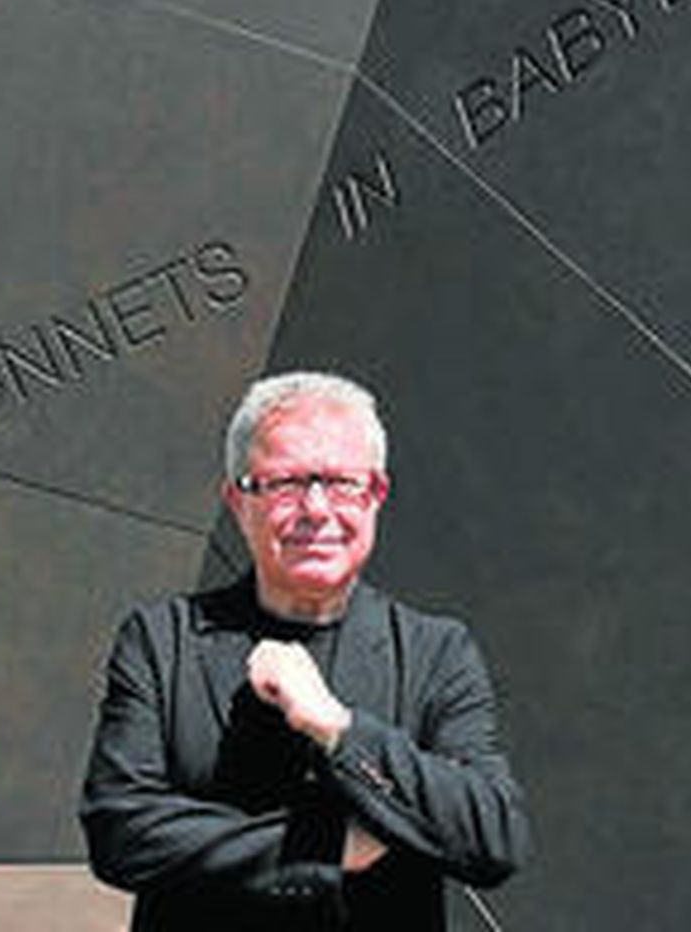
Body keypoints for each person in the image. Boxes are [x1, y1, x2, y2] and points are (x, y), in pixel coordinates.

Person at [81, 372, 528, 930]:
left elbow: (491, 835)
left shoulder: (435, 652)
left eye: (342, 482)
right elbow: (119, 829)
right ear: (238, 501)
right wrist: (323, 843)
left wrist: (338, 727)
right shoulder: (161, 640)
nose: (317, 508)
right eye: (287, 482)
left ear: (376, 495)